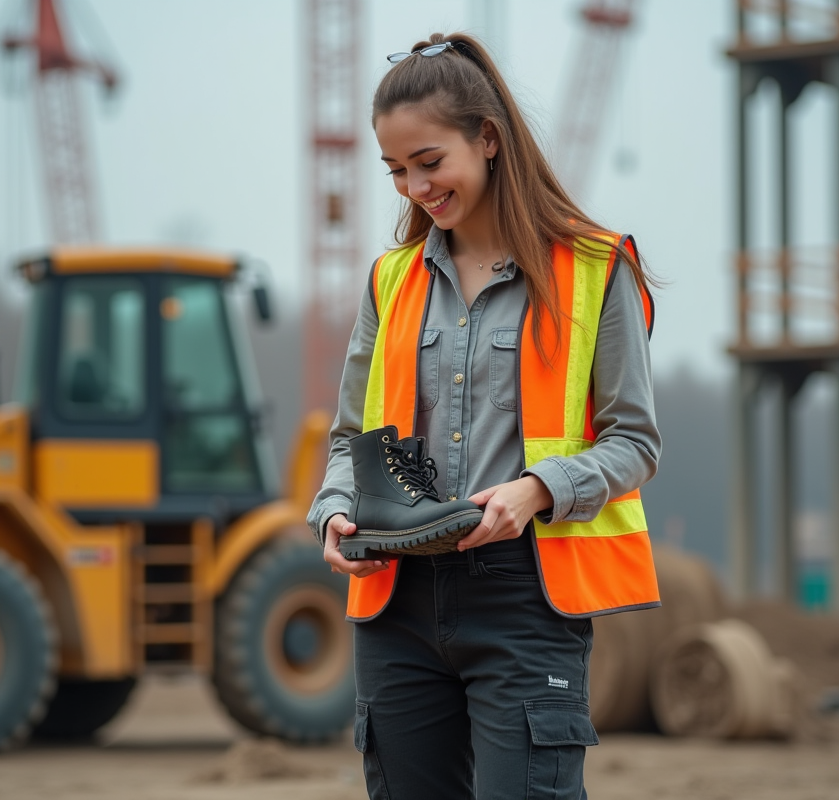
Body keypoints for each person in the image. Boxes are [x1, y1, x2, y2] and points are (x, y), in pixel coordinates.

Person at [307, 31, 661, 800]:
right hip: (394, 601)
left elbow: (635, 443)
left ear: (488, 139)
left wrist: (537, 489)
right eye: (397, 170)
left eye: (429, 163)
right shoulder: (389, 281)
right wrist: (334, 513)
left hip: (527, 598)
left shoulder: (598, 270)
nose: (413, 187)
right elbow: (349, 441)